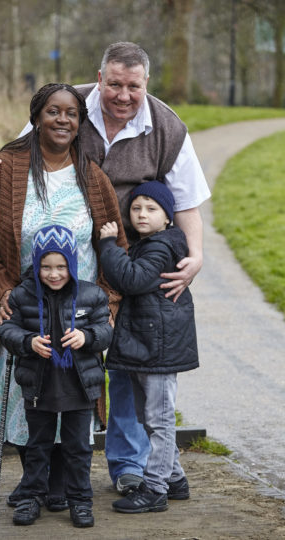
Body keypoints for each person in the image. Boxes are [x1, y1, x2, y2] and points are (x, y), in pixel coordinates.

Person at [0, 42, 210, 495]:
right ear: (99, 79)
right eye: (115, 84)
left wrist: (194, 256)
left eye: (134, 86)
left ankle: (127, 466)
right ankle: (52, 473)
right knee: (47, 368)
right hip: (47, 276)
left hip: (125, 267)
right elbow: (19, 151)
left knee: (121, 368)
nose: (123, 95)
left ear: (146, 85)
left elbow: (188, 203)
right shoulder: (67, 103)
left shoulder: (168, 128)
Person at [0, 83, 127, 509]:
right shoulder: (4, 167)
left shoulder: (91, 177)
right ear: (36, 116)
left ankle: (60, 483)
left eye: (71, 113)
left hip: (78, 311)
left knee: (73, 393)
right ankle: (35, 480)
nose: (62, 120)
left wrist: (108, 305)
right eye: (53, 112)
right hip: (24, 310)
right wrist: (2, 289)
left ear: (80, 122)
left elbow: (114, 245)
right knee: (26, 393)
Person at [0, 225, 113, 527]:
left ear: (72, 264)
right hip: (39, 385)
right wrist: (28, 342)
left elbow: (106, 331)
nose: (54, 274)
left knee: (78, 449)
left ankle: (80, 502)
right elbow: (7, 330)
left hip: (78, 387)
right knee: (37, 446)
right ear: (36, 265)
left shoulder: (91, 295)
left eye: (61, 266)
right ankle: (31, 497)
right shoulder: (23, 295)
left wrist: (86, 338)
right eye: (46, 266)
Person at [99, 181, 199, 513]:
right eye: (137, 208)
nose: (142, 214)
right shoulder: (152, 243)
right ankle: (175, 479)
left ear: (168, 217)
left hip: (159, 346)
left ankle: (155, 488)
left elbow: (131, 279)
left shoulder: (160, 247)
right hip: (148, 344)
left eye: (152, 209)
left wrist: (108, 246)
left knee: (158, 418)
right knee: (147, 416)